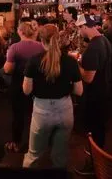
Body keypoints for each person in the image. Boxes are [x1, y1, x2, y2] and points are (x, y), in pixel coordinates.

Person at [22, 25, 83, 168]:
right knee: (60, 156)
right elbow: (79, 91)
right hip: (65, 109)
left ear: (41, 41)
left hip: (42, 111)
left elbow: (26, 90)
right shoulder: (71, 62)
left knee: (33, 155)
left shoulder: (34, 61)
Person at [75, 14, 112, 175]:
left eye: (79, 28)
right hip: (104, 90)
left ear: (84, 27)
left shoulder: (92, 48)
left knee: (93, 130)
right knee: (100, 129)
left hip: (94, 95)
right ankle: (100, 160)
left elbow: (88, 78)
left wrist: (76, 63)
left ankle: (93, 165)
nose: (79, 32)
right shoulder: (105, 41)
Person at [3, 22, 45, 152]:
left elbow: (8, 70)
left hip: (19, 85)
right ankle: (39, 143)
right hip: (38, 85)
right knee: (38, 114)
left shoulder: (14, 48)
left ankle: (16, 142)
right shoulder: (42, 46)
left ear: (20, 32)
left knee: (18, 114)